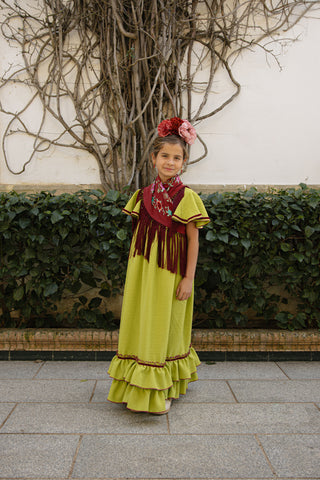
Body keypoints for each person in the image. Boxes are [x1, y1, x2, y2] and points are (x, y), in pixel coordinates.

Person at [107, 117, 210, 414]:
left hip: (172, 273)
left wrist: (188, 278)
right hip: (143, 272)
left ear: (184, 162)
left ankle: (162, 386)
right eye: (165, 156)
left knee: (167, 324)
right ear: (154, 159)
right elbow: (140, 237)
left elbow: (193, 241)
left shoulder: (187, 197)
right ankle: (135, 383)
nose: (170, 162)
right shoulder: (143, 196)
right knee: (143, 321)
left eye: (176, 158)